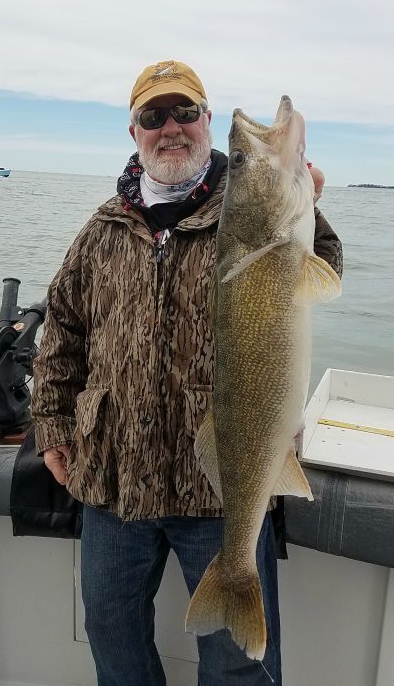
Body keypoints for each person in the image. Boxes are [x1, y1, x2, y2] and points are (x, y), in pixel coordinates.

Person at [32, 60, 343, 686]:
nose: (170, 127)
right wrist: (50, 423)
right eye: (154, 116)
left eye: (185, 112)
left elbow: (325, 265)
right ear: (135, 133)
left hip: (220, 489)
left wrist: (306, 203)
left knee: (237, 665)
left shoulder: (249, 211)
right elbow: (61, 333)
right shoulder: (100, 230)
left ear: (203, 121)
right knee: (112, 639)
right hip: (112, 479)